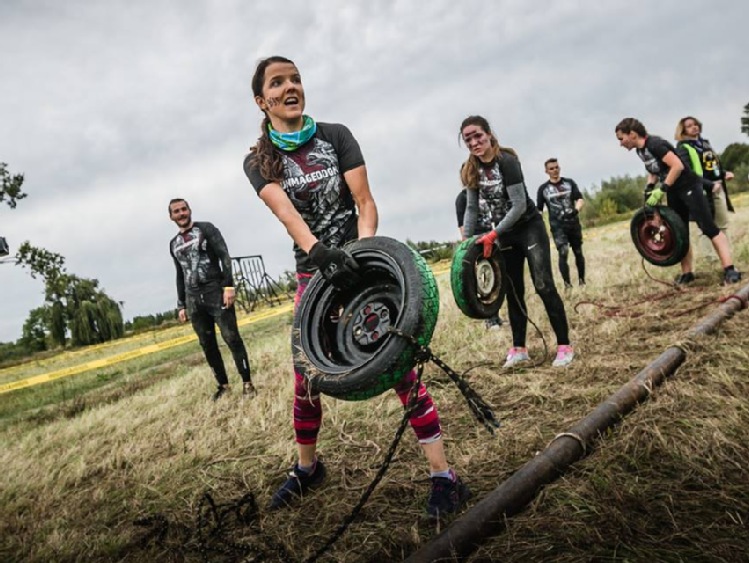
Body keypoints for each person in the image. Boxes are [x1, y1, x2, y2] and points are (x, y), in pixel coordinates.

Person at [243, 56, 469, 519]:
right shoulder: (257, 161)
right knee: (306, 379)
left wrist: (364, 259)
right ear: (261, 100)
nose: (291, 87)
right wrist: (319, 253)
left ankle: (444, 477)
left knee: (397, 364)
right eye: (278, 82)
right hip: (315, 275)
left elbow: (364, 201)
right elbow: (287, 214)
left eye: (296, 79)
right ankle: (308, 469)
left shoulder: (336, 136)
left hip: (361, 263)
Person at [460, 115, 574, 368]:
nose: (474, 142)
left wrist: (493, 234)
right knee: (513, 291)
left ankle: (564, 346)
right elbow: (471, 210)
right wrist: (466, 243)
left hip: (528, 228)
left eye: (477, 135)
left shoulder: (507, 162)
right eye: (468, 139)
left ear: (489, 134)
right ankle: (519, 348)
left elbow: (519, 204)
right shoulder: (471, 169)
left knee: (543, 285)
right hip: (505, 234)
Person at [615, 118, 741, 285]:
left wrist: (663, 188)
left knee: (709, 228)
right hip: (674, 190)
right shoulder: (641, 150)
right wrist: (650, 187)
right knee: (680, 232)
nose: (620, 143)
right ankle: (687, 273)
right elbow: (654, 170)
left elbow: (677, 166)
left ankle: (730, 270)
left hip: (688, 185)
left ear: (632, 134)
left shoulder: (655, 144)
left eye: (621, 138)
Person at [168, 198, 255, 400]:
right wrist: (181, 304)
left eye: (183, 209)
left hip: (215, 291)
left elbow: (224, 256)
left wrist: (229, 286)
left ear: (189, 210)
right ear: (171, 216)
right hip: (193, 300)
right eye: (176, 211)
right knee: (207, 344)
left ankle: (247, 383)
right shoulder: (173, 244)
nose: (181, 213)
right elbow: (180, 273)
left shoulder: (206, 229)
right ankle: (223, 385)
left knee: (231, 337)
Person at [674, 116, 735, 260]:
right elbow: (688, 172)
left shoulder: (705, 143)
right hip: (700, 190)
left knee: (723, 223)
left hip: (717, 186)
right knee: (706, 226)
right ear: (683, 130)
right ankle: (711, 258)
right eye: (689, 126)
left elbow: (712, 165)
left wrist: (723, 173)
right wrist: (709, 184)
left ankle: (726, 255)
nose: (694, 127)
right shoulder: (683, 148)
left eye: (695, 124)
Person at [455, 168, 504, 329]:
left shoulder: (485, 193)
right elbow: (462, 226)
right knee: (483, 281)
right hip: (477, 244)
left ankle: (499, 317)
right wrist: (467, 246)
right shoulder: (462, 199)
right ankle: (490, 319)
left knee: (498, 279)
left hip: (494, 238)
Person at [536, 158, 586, 288]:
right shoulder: (543, 189)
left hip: (573, 223)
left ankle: (582, 281)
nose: (555, 170)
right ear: (546, 171)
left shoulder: (570, 183)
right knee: (563, 252)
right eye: (551, 168)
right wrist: (539, 227)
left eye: (556, 167)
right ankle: (567, 284)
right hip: (557, 226)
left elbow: (580, 199)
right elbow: (539, 210)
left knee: (578, 252)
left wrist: (576, 210)